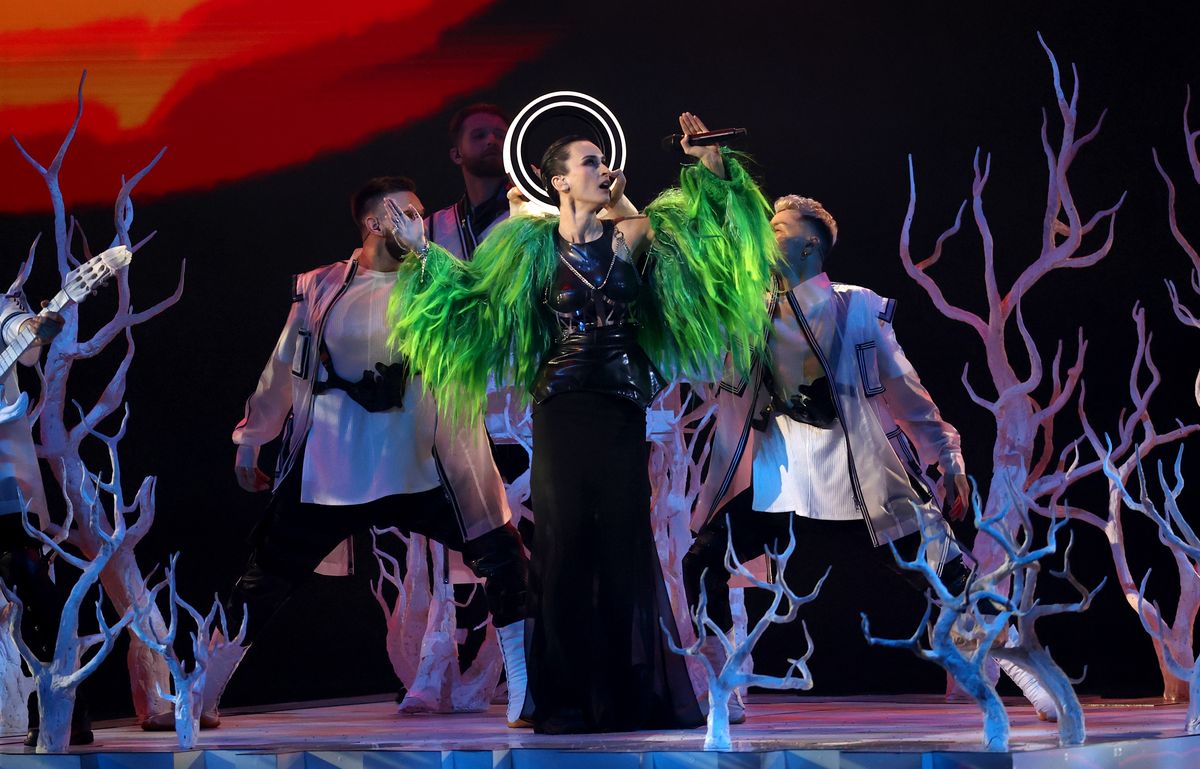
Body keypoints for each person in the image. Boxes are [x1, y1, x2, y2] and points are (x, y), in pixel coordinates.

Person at [386, 112, 778, 733]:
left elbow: (704, 242)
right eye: (588, 163)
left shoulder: (632, 236)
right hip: (562, 406)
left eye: (603, 160)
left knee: (623, 540)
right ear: (559, 180)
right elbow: (473, 301)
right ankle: (561, 696)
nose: (602, 169)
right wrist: (420, 255)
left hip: (621, 405)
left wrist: (704, 161)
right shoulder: (529, 247)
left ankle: (628, 693)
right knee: (564, 545)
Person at [141, 177, 531, 731]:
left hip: (428, 464)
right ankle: (197, 696)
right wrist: (253, 437)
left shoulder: (441, 279)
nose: (420, 224)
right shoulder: (322, 286)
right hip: (336, 465)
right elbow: (284, 365)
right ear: (375, 224)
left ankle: (525, 691)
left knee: (505, 556)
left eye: (422, 215)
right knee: (264, 579)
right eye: (408, 214)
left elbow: (482, 315)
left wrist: (431, 254)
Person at [686, 194, 1056, 722]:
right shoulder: (750, 314)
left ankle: (1028, 674)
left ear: (810, 243)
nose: (766, 235)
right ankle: (723, 685)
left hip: (865, 484)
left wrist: (946, 456)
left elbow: (906, 391)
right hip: (786, 486)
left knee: (950, 578)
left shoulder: (855, 306)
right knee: (703, 563)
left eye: (779, 226)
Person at [0, 292, 85, 747]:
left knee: (28, 582)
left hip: (4, 481)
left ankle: (62, 707)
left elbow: (21, 336)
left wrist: (33, 329)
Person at [429, 103, 511, 260]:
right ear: (457, 155)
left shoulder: (537, 207)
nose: (492, 140)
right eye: (479, 135)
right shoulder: (433, 228)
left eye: (500, 136)